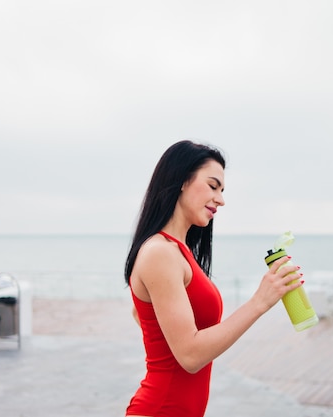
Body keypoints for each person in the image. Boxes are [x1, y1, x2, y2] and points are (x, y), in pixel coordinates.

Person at [124, 140, 304, 417]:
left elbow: (141, 313)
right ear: (182, 181)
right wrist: (259, 302)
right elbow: (191, 356)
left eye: (221, 190)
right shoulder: (160, 252)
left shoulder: (178, 252)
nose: (220, 199)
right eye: (213, 186)